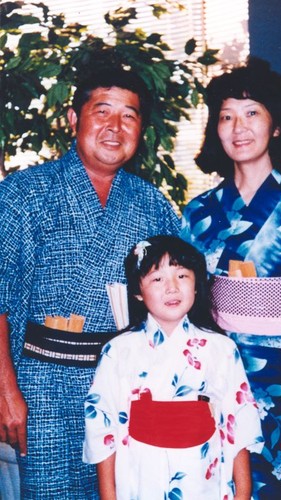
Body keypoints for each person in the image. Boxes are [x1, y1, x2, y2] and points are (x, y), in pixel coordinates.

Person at [0, 67, 180, 498]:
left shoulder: (152, 204)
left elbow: (178, 301)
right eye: (102, 111)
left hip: (128, 383)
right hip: (41, 384)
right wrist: (5, 389)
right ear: (72, 118)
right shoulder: (23, 192)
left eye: (129, 117)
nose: (115, 128)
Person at [180, 57, 281, 499]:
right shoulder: (197, 215)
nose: (238, 127)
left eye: (252, 113)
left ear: (276, 126)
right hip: (212, 387)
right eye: (226, 116)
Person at [83, 235, 264, 499]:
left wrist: (243, 492)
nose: (172, 288)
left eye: (182, 276)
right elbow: (102, 428)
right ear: (137, 292)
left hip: (203, 481)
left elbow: (239, 422)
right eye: (157, 279)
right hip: (140, 483)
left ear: (197, 285)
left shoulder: (221, 349)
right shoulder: (118, 352)